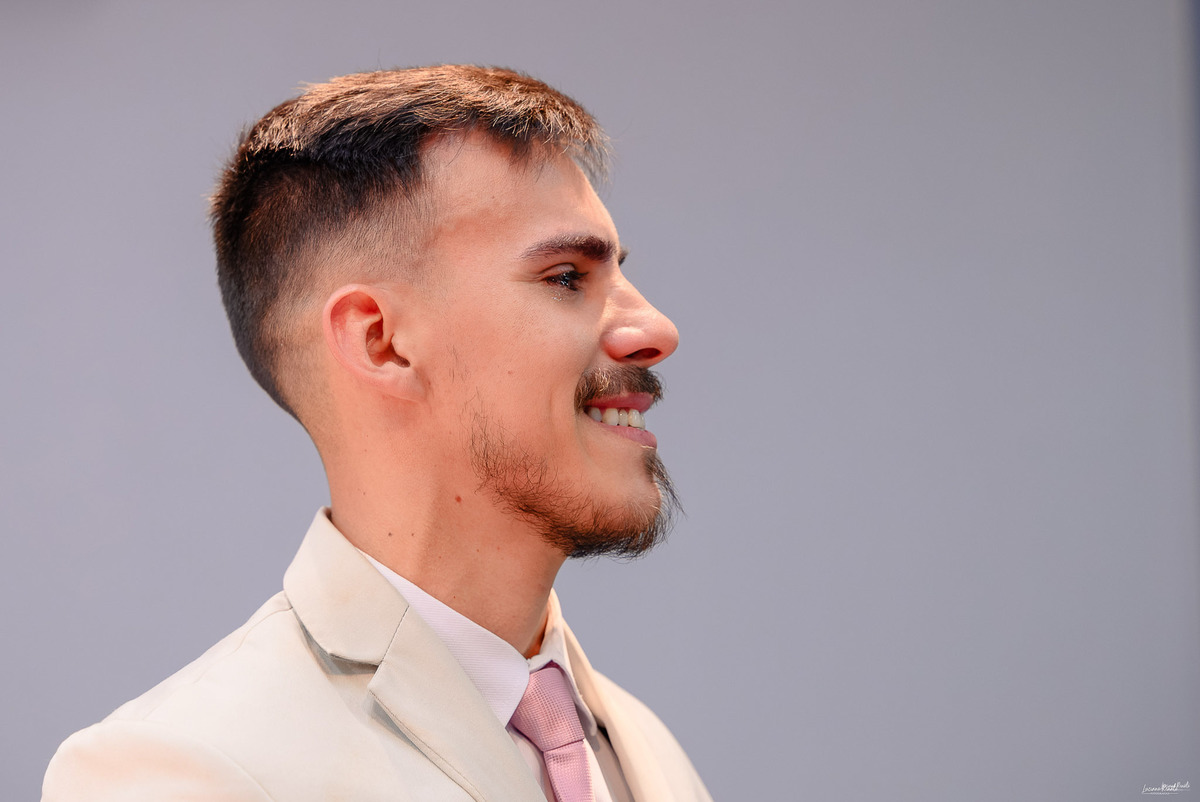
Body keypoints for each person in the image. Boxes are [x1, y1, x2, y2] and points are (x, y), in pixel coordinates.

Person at [42, 65, 712, 801]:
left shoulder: (644, 749)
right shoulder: (177, 771)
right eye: (565, 277)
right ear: (381, 342)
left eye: (617, 274)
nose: (656, 329)